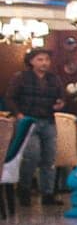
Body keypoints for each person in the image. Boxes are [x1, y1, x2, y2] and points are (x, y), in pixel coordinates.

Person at [6, 47, 66, 205]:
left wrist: (60, 104)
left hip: (48, 120)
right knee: (31, 156)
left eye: (46, 59)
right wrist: (18, 115)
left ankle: (48, 193)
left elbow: (61, 97)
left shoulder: (54, 79)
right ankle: (24, 189)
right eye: (40, 59)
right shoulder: (21, 77)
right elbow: (10, 98)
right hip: (28, 121)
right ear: (31, 61)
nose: (44, 63)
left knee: (49, 158)